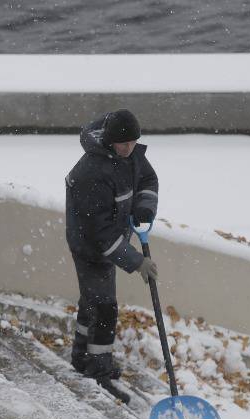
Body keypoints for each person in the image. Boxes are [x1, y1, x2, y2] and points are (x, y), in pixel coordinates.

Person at [65, 109, 159, 382]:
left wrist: (143, 207)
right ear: (109, 140)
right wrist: (136, 261)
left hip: (111, 240)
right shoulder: (91, 173)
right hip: (88, 247)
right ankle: (98, 367)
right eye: (124, 143)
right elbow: (99, 235)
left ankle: (81, 357)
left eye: (133, 142)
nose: (129, 149)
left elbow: (148, 180)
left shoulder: (130, 156)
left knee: (92, 301)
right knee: (105, 306)